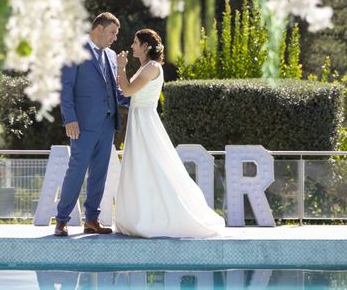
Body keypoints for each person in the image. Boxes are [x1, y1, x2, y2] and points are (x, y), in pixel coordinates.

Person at [114, 29, 225, 238]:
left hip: (146, 122)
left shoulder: (152, 67)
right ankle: (140, 215)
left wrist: (120, 68)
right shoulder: (145, 66)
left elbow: (127, 91)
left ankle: (160, 218)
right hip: (138, 120)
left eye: (136, 43)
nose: (132, 46)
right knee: (140, 168)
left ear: (146, 46)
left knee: (155, 167)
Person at [54, 12, 129, 237]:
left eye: (116, 33)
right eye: (112, 32)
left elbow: (115, 91)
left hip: (107, 125)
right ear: (98, 29)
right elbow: (65, 89)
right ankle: (61, 220)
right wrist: (70, 119)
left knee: (99, 174)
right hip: (82, 125)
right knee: (76, 172)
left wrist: (139, 100)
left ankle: (92, 220)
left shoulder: (112, 55)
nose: (115, 37)